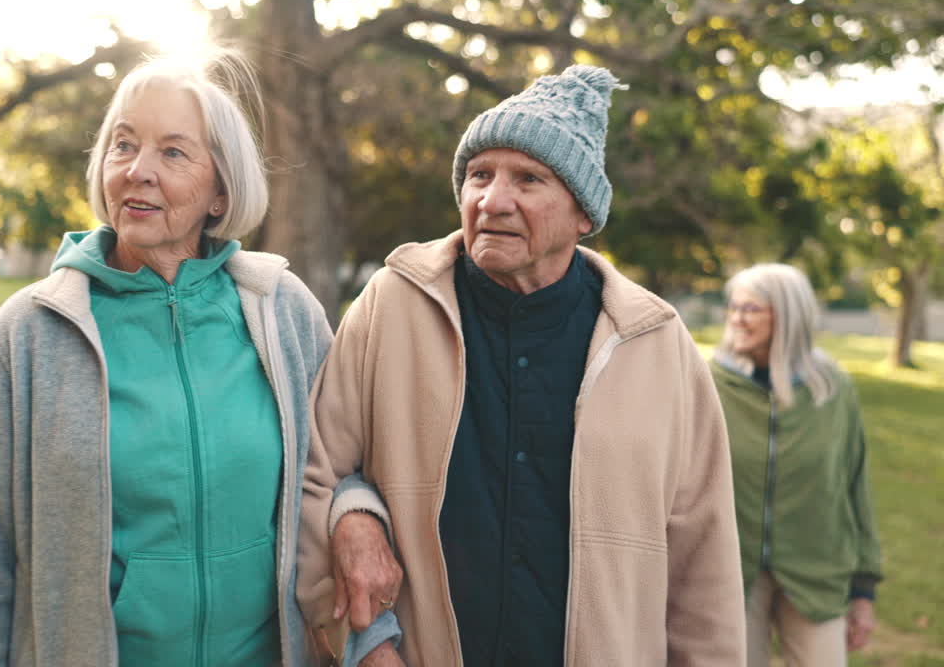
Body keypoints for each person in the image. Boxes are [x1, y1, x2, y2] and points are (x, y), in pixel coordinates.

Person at [296, 64, 747, 666]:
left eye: (528, 179)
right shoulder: (392, 304)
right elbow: (313, 476)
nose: (493, 200)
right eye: (479, 175)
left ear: (583, 214)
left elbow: (704, 557)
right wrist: (367, 648)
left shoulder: (655, 342)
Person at [0, 48, 359, 667]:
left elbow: (344, 470)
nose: (138, 171)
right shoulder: (31, 332)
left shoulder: (284, 311)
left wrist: (359, 517)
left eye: (173, 152)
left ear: (220, 191)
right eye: (123, 145)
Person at [712, 263, 882, 667]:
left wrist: (863, 590)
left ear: (787, 317)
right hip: (728, 572)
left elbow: (854, 485)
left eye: (751, 309)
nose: (737, 318)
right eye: (733, 307)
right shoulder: (708, 383)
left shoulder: (832, 389)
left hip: (817, 571)